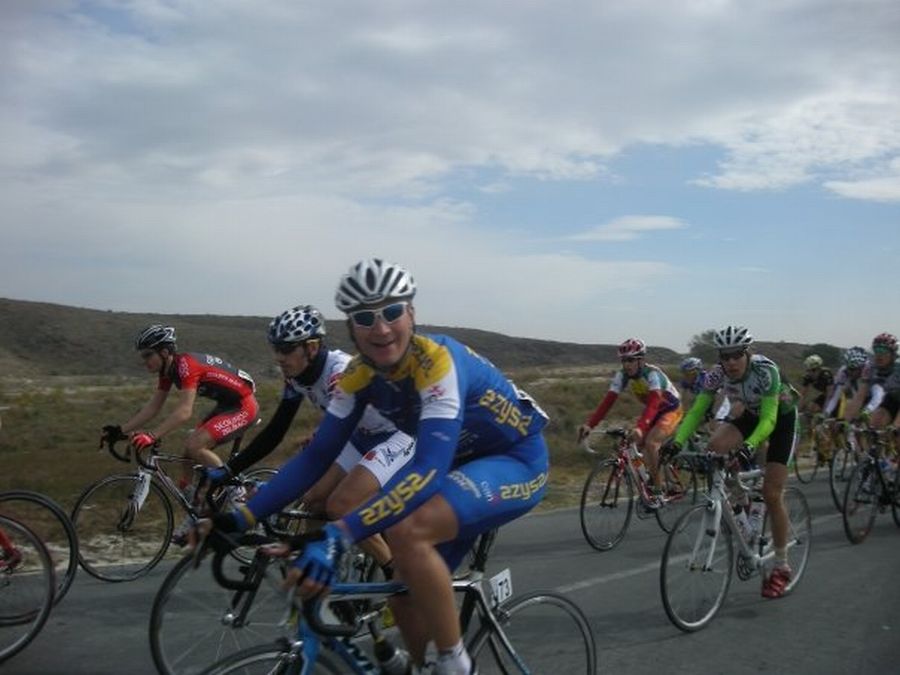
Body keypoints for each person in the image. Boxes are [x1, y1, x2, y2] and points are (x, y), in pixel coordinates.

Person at [201, 258, 549, 675]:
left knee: (408, 529)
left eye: (392, 312)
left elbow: (427, 470)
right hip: (463, 467)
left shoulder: (437, 363)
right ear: (351, 327)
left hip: (516, 460)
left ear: (411, 314)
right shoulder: (358, 376)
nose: (381, 329)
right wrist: (241, 517)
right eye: (365, 318)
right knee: (401, 590)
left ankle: (455, 664)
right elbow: (317, 456)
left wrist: (339, 534)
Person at [200, 304, 415, 568]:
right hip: (360, 435)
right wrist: (230, 469)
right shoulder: (296, 377)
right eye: (276, 349)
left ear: (311, 347)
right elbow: (276, 431)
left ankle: (395, 573)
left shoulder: (340, 374)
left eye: (286, 349)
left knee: (340, 506)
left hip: (397, 435)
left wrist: (276, 488)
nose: (279, 357)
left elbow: (323, 449)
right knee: (313, 501)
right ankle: (319, 567)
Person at [664, 325, 799, 599]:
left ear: (748, 353)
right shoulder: (716, 374)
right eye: (725, 356)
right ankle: (740, 504)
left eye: (737, 355)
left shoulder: (766, 371)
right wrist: (676, 441)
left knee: (772, 494)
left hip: (781, 421)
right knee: (714, 448)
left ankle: (782, 565)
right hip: (751, 415)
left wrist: (750, 445)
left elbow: (769, 419)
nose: (731, 362)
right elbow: (697, 411)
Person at [101, 324, 259, 542]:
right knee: (188, 453)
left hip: (243, 406)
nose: (144, 361)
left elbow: (185, 411)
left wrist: (152, 435)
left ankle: (236, 492)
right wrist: (120, 430)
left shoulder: (185, 366)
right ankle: (197, 510)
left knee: (196, 445)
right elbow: (153, 407)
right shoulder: (168, 371)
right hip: (227, 405)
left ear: (165, 352)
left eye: (148, 355)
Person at [576, 338, 683, 503]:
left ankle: (658, 489)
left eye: (631, 360)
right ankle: (654, 474)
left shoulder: (652, 375)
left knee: (651, 443)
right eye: (624, 360)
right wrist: (590, 424)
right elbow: (608, 402)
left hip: (671, 410)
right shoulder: (622, 375)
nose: (626, 365)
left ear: (641, 360)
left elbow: (654, 404)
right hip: (653, 412)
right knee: (635, 444)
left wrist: (641, 427)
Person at [844, 333, 900, 429]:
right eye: (876, 350)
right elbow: (859, 397)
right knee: (876, 421)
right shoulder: (870, 367)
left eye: (883, 351)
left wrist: (896, 425)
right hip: (892, 398)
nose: (879, 355)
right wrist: (845, 421)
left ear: (893, 354)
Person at [823, 346, 883, 420]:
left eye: (852, 369)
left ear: (861, 367)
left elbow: (878, 397)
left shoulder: (870, 370)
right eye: (848, 368)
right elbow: (835, 397)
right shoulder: (844, 371)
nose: (849, 372)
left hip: (878, 398)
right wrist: (826, 413)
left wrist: (867, 411)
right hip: (860, 397)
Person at [678, 356, 731, 425]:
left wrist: (712, 414)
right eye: (684, 373)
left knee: (716, 425)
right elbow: (683, 398)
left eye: (688, 373)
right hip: (707, 403)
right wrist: (683, 414)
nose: (685, 376)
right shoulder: (686, 381)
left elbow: (719, 397)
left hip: (720, 402)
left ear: (697, 371)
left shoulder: (707, 380)